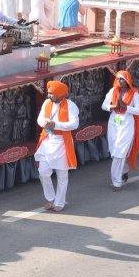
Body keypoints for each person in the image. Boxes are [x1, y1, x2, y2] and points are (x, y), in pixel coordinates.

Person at [34, 80, 79, 212]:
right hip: (47, 140)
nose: (48, 96)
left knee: (62, 175)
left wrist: (56, 125)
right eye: (48, 93)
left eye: (51, 93)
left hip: (62, 143)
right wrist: (45, 123)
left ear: (60, 94)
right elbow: (40, 118)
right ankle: (50, 197)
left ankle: (60, 202)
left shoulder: (71, 106)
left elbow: (74, 124)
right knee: (43, 172)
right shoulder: (47, 103)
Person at [101, 71, 139, 191]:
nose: (119, 81)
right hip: (114, 123)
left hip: (127, 125)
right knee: (115, 153)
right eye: (118, 79)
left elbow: (138, 111)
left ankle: (117, 182)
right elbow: (103, 105)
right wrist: (113, 107)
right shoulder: (112, 91)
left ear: (127, 81)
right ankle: (124, 170)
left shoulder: (134, 94)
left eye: (122, 79)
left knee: (119, 153)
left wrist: (125, 107)